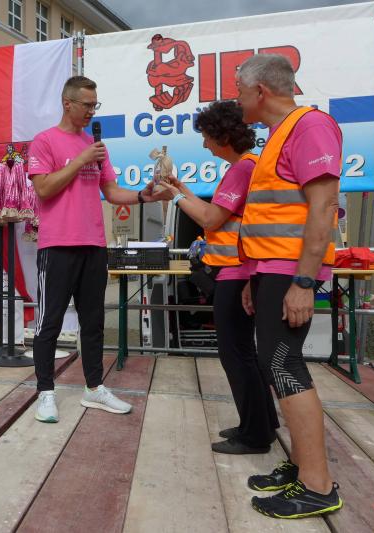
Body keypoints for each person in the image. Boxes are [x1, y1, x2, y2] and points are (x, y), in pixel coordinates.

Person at [235, 54, 343, 518]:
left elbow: (324, 207)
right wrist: (254, 276)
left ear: (260, 91)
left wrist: (302, 281)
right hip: (272, 270)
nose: (238, 99)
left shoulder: (309, 126)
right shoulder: (280, 134)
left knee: (283, 363)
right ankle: (302, 467)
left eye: (240, 90)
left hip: (291, 271)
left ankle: (318, 486)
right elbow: (276, 213)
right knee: (277, 362)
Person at [27, 75, 168, 423]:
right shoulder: (45, 141)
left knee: (93, 322)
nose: (92, 111)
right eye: (87, 105)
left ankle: (94, 388)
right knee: (49, 322)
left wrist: (143, 196)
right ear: (68, 103)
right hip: (57, 247)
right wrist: (79, 160)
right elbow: (43, 189)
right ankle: (45, 392)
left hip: (93, 244)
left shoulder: (95, 146)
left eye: (95, 105)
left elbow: (112, 192)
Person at [160, 100, 279, 454]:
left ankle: (254, 435)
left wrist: (175, 198)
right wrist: (182, 189)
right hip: (239, 270)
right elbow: (216, 213)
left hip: (235, 271)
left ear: (222, 136)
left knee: (235, 354)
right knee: (244, 352)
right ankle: (261, 423)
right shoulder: (246, 166)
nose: (204, 144)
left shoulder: (242, 169)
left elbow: (210, 220)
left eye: (206, 137)